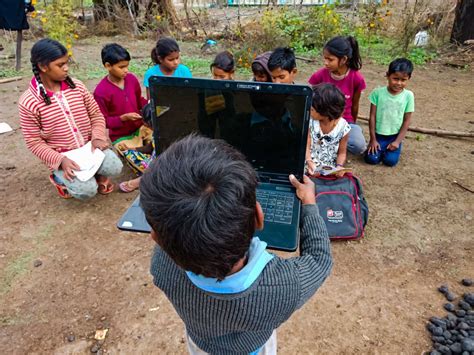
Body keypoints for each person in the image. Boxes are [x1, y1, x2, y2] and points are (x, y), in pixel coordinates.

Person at [141, 134, 332, 355]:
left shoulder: (162, 269)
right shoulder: (284, 287)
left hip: (202, 347)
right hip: (256, 348)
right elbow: (320, 259)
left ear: (155, 238)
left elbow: (171, 235)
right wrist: (309, 202)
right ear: (259, 217)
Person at [19, 38, 122, 199]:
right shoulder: (29, 101)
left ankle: (97, 175)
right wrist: (60, 160)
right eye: (60, 65)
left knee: (115, 167)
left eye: (67, 63)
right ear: (43, 67)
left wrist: (97, 137)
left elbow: (96, 115)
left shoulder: (78, 87)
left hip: (89, 148)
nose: (66, 68)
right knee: (86, 192)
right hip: (64, 157)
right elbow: (34, 142)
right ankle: (58, 177)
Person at [308, 36, 367, 155]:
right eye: (325, 59)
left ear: (343, 59)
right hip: (320, 120)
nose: (326, 63)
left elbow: (355, 105)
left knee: (358, 146)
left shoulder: (356, 79)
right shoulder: (319, 76)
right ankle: (331, 141)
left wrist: (351, 126)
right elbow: (309, 100)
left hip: (344, 121)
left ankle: (334, 141)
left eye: (330, 59)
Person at [93, 43, 148, 144]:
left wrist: (149, 105)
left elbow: (139, 100)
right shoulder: (101, 92)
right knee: (136, 158)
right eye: (121, 67)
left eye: (127, 66)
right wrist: (122, 118)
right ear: (108, 66)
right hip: (121, 137)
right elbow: (102, 121)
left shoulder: (132, 79)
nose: (126, 70)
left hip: (140, 128)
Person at [365, 58, 415, 167]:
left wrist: (397, 142)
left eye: (403, 80)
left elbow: (407, 121)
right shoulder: (377, 93)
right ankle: (378, 149)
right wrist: (373, 139)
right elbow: (372, 116)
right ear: (388, 75)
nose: (398, 83)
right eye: (395, 78)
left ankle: (389, 151)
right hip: (378, 135)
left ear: (409, 79)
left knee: (390, 161)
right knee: (371, 159)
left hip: (394, 136)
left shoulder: (408, 96)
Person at [306, 83, 350, 178]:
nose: (309, 110)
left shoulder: (343, 127)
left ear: (325, 111)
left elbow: (342, 152)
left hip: (328, 168)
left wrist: (339, 166)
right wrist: (309, 161)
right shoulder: (310, 122)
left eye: (313, 109)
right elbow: (306, 145)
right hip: (309, 164)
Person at [118, 103, 155, 192]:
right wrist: (132, 149)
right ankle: (149, 176)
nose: (146, 126)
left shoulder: (167, 135)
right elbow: (150, 148)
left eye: (147, 125)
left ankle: (147, 179)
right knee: (128, 153)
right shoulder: (156, 133)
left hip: (164, 165)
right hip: (154, 161)